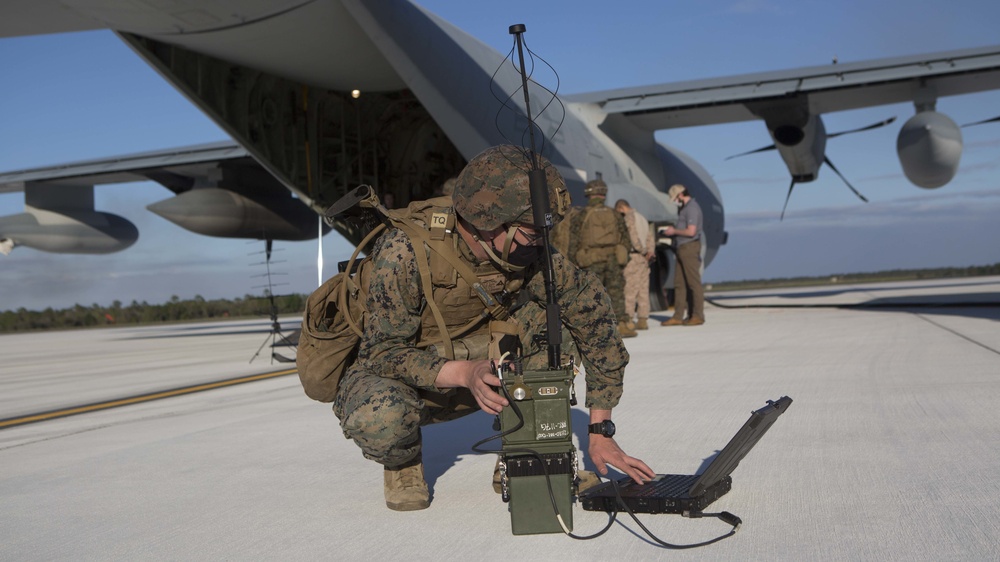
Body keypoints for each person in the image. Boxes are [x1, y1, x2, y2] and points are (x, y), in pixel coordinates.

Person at [333, 145, 655, 511]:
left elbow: (594, 320)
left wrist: (599, 431)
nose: (539, 245)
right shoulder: (406, 251)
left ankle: (524, 454)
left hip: (485, 371)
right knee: (379, 416)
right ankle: (402, 462)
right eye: (531, 234)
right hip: (407, 373)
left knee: (553, 327)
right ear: (490, 223)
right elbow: (381, 353)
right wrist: (464, 373)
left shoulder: (528, 251)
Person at [567, 180, 637, 338]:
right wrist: (622, 257)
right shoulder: (615, 214)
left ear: (589, 194)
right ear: (604, 194)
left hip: (590, 260)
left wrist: (574, 262)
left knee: (592, 296)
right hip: (613, 259)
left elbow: (573, 242)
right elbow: (625, 239)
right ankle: (623, 325)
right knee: (616, 293)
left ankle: (595, 329)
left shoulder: (581, 215)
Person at [659, 184, 705, 326]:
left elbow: (691, 231)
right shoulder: (685, 209)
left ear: (680, 195)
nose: (675, 202)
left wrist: (674, 232)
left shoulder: (691, 208)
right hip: (681, 248)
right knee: (679, 283)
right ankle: (678, 316)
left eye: (675, 198)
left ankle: (697, 315)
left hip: (689, 248)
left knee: (693, 283)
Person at [614, 199, 655, 330]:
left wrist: (641, 250)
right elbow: (650, 237)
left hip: (634, 257)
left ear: (621, 208)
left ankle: (629, 319)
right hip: (644, 259)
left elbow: (633, 236)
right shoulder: (641, 217)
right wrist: (649, 251)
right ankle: (643, 320)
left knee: (630, 290)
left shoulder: (629, 218)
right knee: (643, 290)